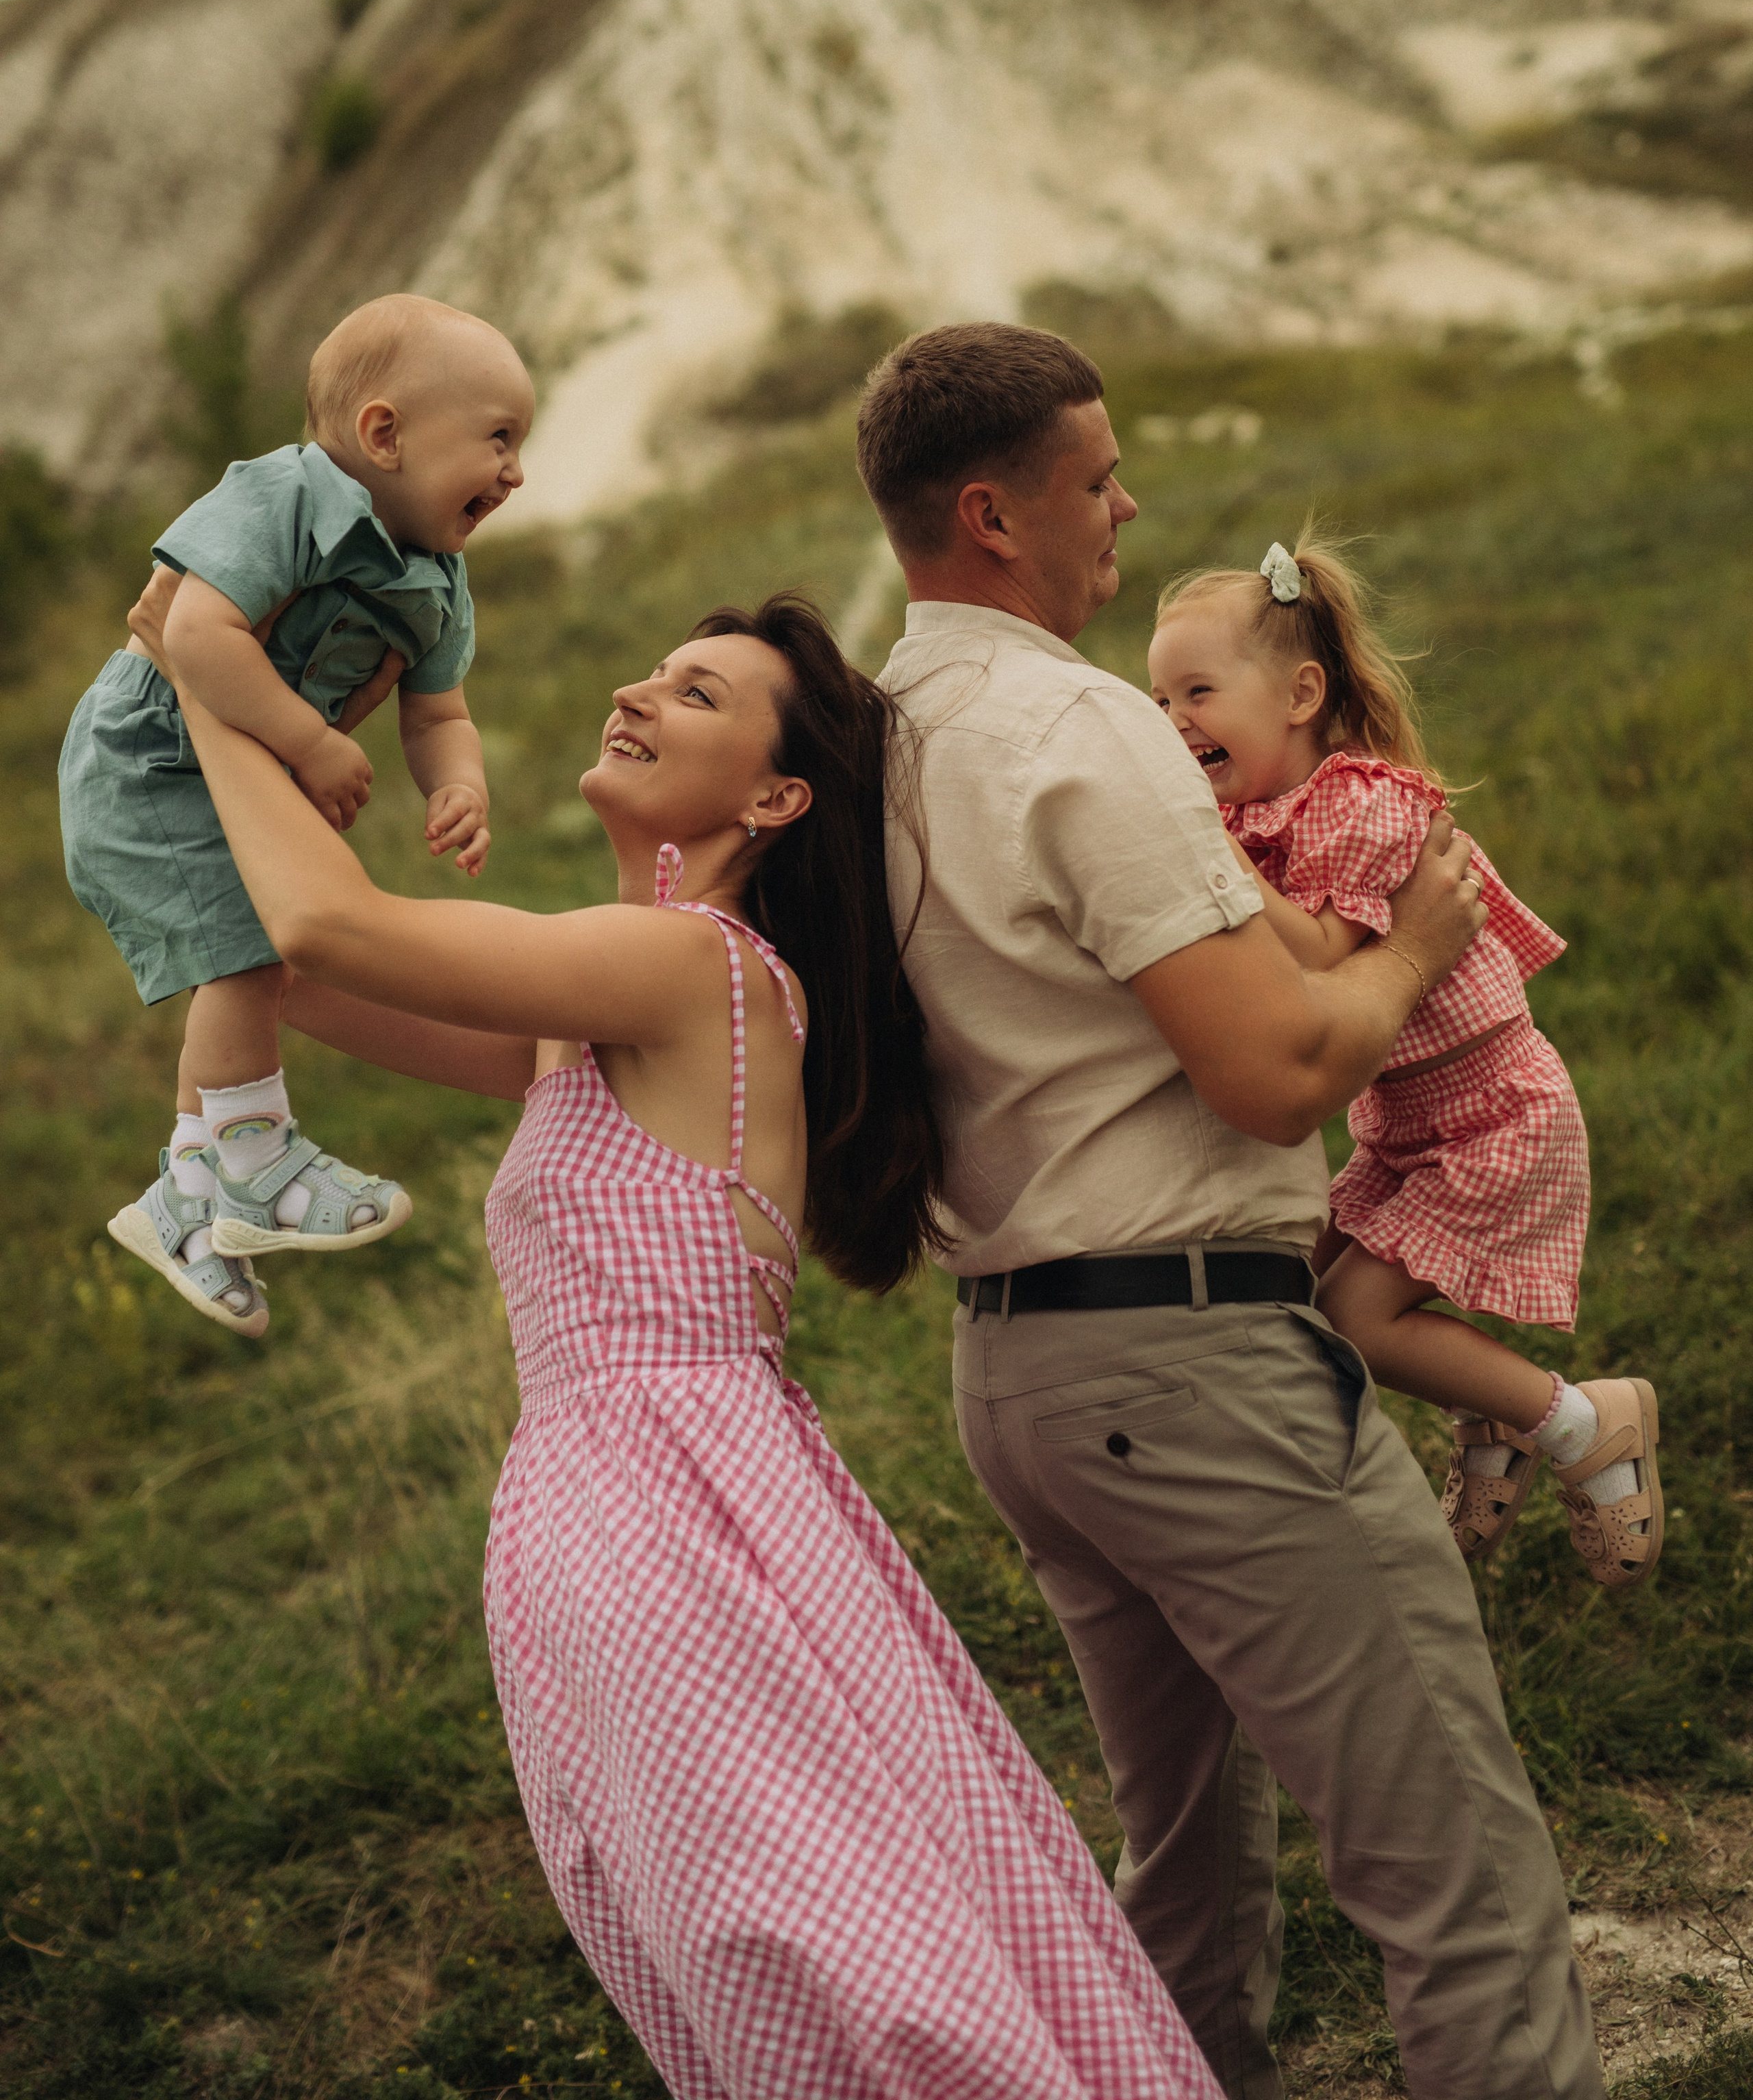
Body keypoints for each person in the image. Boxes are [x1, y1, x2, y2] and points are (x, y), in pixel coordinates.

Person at [157, 586, 1222, 2100]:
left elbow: (324, 922)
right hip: (606, 1512)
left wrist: (212, 682)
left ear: (777, 796)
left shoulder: (695, 969)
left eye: (699, 695)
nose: (641, 693)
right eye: (652, 669)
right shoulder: (593, 998)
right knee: (749, 1952)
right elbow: (281, 966)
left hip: (674, 1509)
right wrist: (229, 735)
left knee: (819, 1949)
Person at [857, 321, 1604, 2100]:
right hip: (1189, 1360)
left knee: (1181, 1870)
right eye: (1099, 478)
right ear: (993, 512)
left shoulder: (877, 733)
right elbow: (1275, 1073)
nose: (1128, 507)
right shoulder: (1083, 728)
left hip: (1013, 1379)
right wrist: (1421, 947)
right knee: (1459, 1878)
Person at [1148, 535, 1660, 1592]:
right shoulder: (1248, 818)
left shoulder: (1362, 803)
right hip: (1405, 1123)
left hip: (1490, 1116)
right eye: (1159, 702)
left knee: (1356, 1320)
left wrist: (1216, 864)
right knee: (1292, 1280)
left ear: (1299, 693)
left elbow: (1332, 953)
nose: (1175, 721)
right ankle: (1490, 1427)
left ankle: (1579, 1423)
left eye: (1197, 691)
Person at [60, 293, 533, 1337]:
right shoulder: (283, 497)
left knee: (257, 953)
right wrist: (313, 742)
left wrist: (459, 782)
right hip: (152, 757)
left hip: (239, 771)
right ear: (384, 434)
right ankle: (255, 1156)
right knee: (246, 957)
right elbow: (196, 629)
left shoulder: (441, 586)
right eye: (498, 439)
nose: (516, 472)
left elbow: (439, 709)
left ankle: (185, 1198)